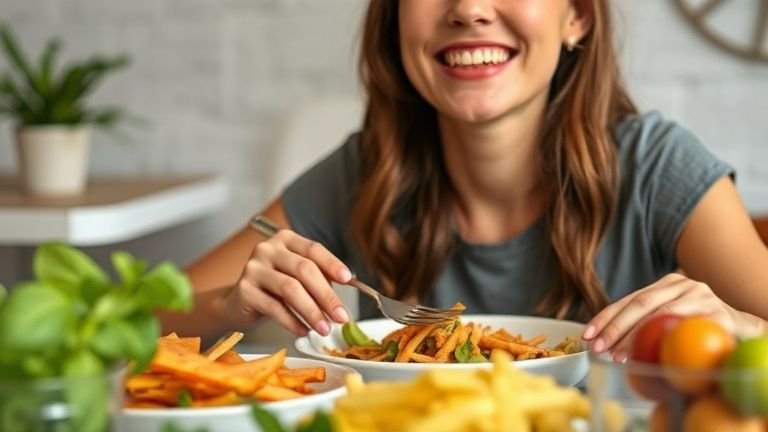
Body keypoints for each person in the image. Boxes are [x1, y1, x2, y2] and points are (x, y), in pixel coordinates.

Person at [160, 0, 768, 360]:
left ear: (577, 16)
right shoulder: (364, 173)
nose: (468, 8)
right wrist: (229, 303)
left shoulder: (657, 167)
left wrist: (742, 328)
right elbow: (141, 321)